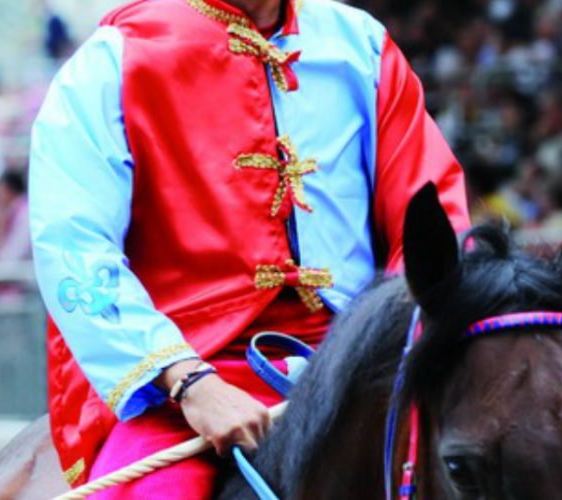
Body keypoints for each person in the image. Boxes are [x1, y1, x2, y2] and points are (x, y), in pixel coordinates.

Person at [29, 0, 470, 496]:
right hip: (185, 378)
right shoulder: (113, 60)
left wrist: (404, 337)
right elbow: (75, 246)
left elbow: (429, 211)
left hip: (362, 360)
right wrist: (190, 383)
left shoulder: (362, 45)